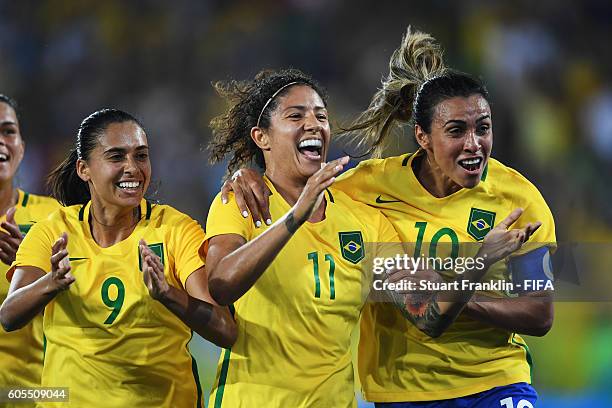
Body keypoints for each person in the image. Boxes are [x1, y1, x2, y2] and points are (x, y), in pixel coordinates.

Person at [222, 28, 555, 408]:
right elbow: (295, 185)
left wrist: (454, 295)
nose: (474, 143)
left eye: (483, 128)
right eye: (456, 131)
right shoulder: (365, 186)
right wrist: (246, 173)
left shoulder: (519, 198)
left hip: (496, 382)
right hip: (402, 389)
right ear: (423, 137)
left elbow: (539, 313)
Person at [0, 108, 237, 407]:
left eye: (141, 155)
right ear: (84, 169)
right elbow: (9, 315)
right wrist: (52, 282)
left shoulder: (174, 230)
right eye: (116, 157)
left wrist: (168, 295)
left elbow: (225, 330)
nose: (133, 168)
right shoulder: (54, 230)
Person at [0, 94, 60, 405]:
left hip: (32, 395)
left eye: (8, 131)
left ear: (22, 148)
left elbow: (86, 303)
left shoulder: (52, 219)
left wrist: (32, 267)